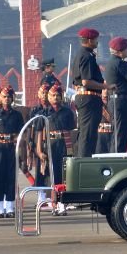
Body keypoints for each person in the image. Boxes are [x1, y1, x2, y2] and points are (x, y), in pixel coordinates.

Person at [71, 27, 109, 157]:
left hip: (85, 98)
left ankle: (83, 159)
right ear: (88, 40)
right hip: (89, 98)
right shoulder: (87, 56)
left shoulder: (82, 54)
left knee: (85, 133)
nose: (97, 42)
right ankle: (84, 162)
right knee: (88, 134)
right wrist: (106, 86)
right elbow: (86, 81)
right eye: (95, 40)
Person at [39, 83, 76, 215]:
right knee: (51, 175)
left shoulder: (67, 112)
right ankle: (53, 203)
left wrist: (72, 149)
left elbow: (72, 130)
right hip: (50, 145)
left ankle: (62, 204)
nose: (55, 98)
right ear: (49, 97)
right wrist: (39, 150)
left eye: (58, 95)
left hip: (63, 145)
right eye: (53, 95)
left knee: (63, 175)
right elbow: (39, 132)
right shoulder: (44, 112)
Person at [0, 86, 24, 218]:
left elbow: (21, 134)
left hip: (11, 148)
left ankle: (9, 207)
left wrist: (21, 153)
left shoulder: (17, 115)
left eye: (9, 97)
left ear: (12, 99)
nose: (7, 99)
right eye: (4, 96)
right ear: (0, 98)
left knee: (11, 178)